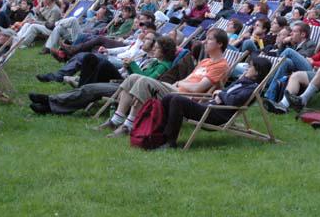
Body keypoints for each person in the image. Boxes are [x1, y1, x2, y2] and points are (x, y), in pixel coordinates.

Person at [98, 29, 229, 137]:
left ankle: (129, 125)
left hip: (185, 98)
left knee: (143, 80)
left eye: (210, 39)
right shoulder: (205, 62)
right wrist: (178, 84)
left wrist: (179, 84)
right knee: (133, 77)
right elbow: (188, 80)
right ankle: (116, 120)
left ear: (220, 44)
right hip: (175, 90)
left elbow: (197, 88)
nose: (205, 41)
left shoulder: (220, 65)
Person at [29, 36, 176, 115]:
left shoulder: (163, 66)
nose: (154, 50)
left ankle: (50, 103)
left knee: (90, 89)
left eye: (157, 48)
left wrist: (132, 65)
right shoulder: (156, 62)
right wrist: (129, 67)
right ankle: (50, 102)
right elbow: (138, 76)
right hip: (126, 85)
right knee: (89, 86)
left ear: (164, 51)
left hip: (130, 91)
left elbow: (145, 80)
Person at [158, 56, 272, 149]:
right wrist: (221, 95)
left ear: (257, 72)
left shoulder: (251, 88)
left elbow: (234, 101)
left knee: (177, 100)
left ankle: (170, 142)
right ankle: (159, 136)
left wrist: (221, 95)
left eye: (250, 66)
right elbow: (225, 95)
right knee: (169, 97)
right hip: (209, 107)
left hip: (214, 115)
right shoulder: (243, 82)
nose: (246, 68)